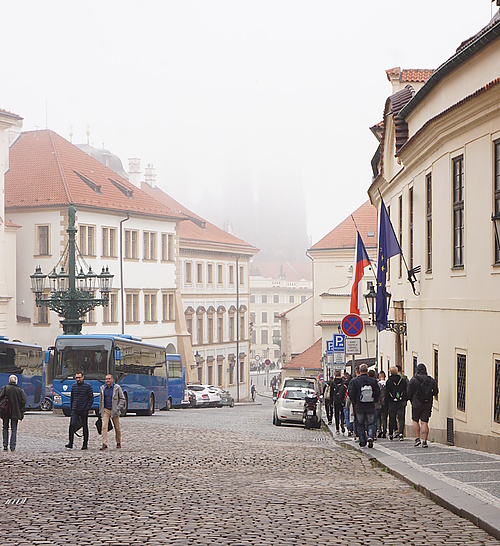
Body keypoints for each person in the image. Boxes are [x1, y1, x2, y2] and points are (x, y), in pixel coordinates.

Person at [348, 364, 380, 448]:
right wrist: (374, 400)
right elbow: (378, 392)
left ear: (359, 371)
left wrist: (355, 402)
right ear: (367, 371)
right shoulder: (373, 381)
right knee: (371, 423)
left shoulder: (355, 381)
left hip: (359, 406)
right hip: (370, 405)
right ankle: (370, 436)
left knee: (360, 424)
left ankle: (362, 441)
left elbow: (351, 393)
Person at [407, 363, 438, 448]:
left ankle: (417, 438)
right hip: (427, 403)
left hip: (416, 403)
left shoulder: (413, 380)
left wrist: (411, 400)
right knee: (424, 422)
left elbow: (408, 393)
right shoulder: (431, 380)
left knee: (415, 420)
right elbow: (436, 391)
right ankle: (424, 441)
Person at [66, 370, 94, 450]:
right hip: (75, 409)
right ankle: (70, 442)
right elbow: (72, 398)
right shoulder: (74, 386)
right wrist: (72, 408)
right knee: (72, 424)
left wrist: (87, 408)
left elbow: (90, 399)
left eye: (79, 377)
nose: (78, 379)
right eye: (76, 378)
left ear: (83, 377)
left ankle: (85, 444)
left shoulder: (88, 386)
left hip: (83, 409)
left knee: (85, 426)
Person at [99, 374, 126, 450]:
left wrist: (118, 408)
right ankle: (104, 443)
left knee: (117, 427)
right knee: (104, 427)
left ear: (112, 380)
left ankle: (118, 442)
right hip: (106, 410)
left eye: (109, 379)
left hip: (114, 410)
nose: (107, 380)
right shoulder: (102, 388)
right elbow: (101, 400)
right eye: (106, 379)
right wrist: (100, 410)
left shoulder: (117, 388)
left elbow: (122, 399)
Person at [1, 375, 27, 452]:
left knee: (5, 427)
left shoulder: (5, 388)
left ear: (9, 381)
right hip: (15, 412)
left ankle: (5, 445)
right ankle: (13, 446)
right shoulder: (19, 390)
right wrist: (20, 408)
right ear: (16, 381)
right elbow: (24, 401)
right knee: (14, 429)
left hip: (5, 411)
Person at [385, 366, 407, 441]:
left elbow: (387, 393)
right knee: (401, 418)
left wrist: (386, 403)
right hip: (401, 401)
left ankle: (391, 433)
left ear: (390, 372)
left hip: (392, 402)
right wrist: (405, 399)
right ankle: (401, 433)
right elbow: (406, 390)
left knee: (392, 418)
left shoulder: (389, 381)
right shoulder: (402, 381)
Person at [376, 371, 387, 438]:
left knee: (378, 417)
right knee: (384, 418)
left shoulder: (377, 384)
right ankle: (384, 431)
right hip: (386, 403)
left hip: (378, 403)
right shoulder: (387, 384)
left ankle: (379, 430)